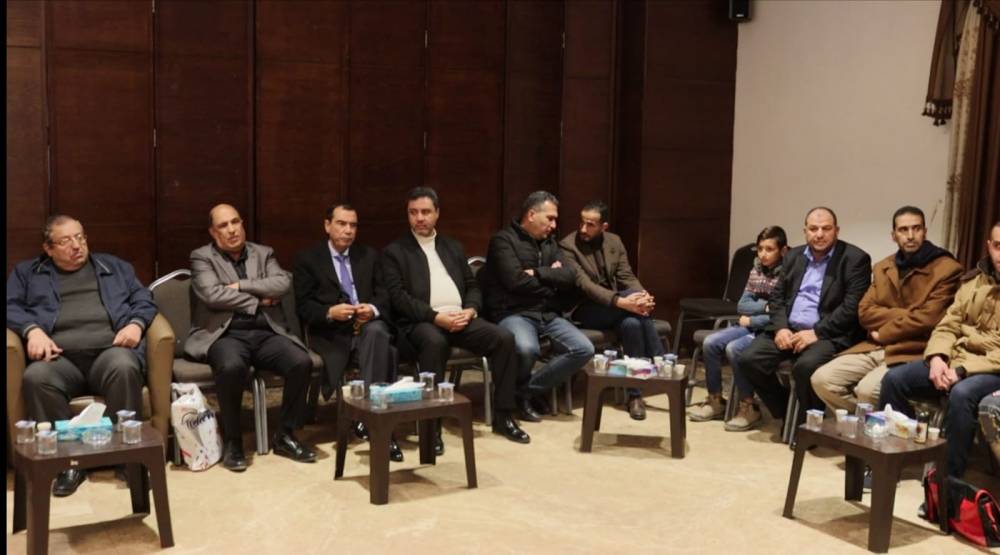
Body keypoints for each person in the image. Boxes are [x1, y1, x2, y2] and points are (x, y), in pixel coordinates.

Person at [7, 215, 157, 496]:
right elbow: (10, 305)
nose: (77, 246)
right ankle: (68, 463)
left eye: (80, 237)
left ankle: (128, 459)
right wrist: (32, 330)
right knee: (37, 377)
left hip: (108, 353)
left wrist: (136, 324)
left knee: (124, 365)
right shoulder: (28, 273)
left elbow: (144, 299)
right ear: (48, 248)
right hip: (60, 360)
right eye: (66, 241)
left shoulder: (114, 267)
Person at [381, 187, 530, 444]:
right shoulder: (395, 252)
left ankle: (503, 416)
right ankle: (431, 428)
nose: (419, 218)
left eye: (425, 212)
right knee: (434, 343)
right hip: (422, 322)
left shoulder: (452, 246)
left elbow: (473, 286)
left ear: (437, 213)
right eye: (413, 212)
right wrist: (435, 317)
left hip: (460, 317)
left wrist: (470, 310)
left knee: (504, 338)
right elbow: (399, 298)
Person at [186, 204, 316, 472]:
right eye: (223, 226)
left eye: (235, 222)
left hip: (267, 332)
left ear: (242, 223)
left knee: (301, 362)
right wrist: (258, 301)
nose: (231, 230)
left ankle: (285, 435)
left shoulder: (264, 253)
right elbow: (212, 294)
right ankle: (233, 441)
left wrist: (241, 286)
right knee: (231, 367)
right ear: (213, 232)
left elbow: (282, 283)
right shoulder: (202, 257)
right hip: (226, 334)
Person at [811, 206, 962, 412]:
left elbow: (929, 319)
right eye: (903, 230)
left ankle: (881, 425)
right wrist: (907, 314)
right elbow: (864, 311)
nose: (910, 235)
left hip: (913, 349)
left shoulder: (947, 268)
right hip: (873, 346)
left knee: (867, 391)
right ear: (893, 235)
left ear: (924, 232)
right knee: (822, 379)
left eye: (916, 228)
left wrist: (884, 332)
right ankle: (869, 423)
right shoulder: (883, 266)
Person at [879, 222, 1000, 478]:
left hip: (991, 369)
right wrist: (937, 357)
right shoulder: (974, 282)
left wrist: (962, 370)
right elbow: (947, 325)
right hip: (955, 359)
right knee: (894, 380)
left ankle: (947, 481)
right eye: (998, 246)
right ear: (989, 246)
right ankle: (895, 459)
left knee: (962, 393)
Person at [739, 207, 872, 426]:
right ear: (805, 231)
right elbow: (777, 298)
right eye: (813, 229)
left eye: (826, 228)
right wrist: (781, 327)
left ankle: (806, 425)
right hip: (789, 330)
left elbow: (851, 308)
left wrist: (816, 332)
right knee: (749, 359)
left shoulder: (855, 259)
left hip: (828, 333)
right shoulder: (793, 256)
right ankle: (785, 408)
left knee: (805, 367)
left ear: (837, 230)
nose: (819, 234)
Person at [293, 204, 401, 461]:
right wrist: (330, 312)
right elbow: (303, 306)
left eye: (353, 225)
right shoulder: (308, 259)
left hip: (366, 327)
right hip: (332, 332)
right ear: (327, 225)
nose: (348, 230)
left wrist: (371, 309)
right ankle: (379, 425)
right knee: (383, 346)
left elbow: (385, 295)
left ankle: (370, 419)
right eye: (341, 224)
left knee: (378, 334)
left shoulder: (369, 256)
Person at [480, 191, 594, 421]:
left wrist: (538, 273)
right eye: (550, 218)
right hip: (513, 312)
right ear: (531, 215)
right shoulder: (503, 241)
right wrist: (551, 282)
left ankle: (523, 392)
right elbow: (515, 281)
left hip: (547, 313)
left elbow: (569, 276)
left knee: (584, 349)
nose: (554, 225)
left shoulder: (550, 243)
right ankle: (520, 395)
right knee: (527, 349)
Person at [559, 200, 663, 420]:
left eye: (590, 224)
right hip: (583, 308)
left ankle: (634, 395)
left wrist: (643, 296)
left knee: (632, 323)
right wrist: (622, 302)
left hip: (618, 308)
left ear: (603, 227)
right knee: (633, 313)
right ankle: (660, 361)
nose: (583, 229)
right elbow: (585, 286)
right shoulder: (568, 246)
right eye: (582, 222)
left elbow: (626, 276)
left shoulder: (614, 241)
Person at [687, 226, 789, 430]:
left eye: (769, 249)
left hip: (768, 329)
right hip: (749, 323)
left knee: (734, 348)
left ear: (783, 251)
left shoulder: (789, 273)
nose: (763, 254)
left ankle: (748, 406)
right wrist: (766, 307)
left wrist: (753, 320)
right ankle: (716, 400)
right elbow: (742, 305)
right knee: (711, 342)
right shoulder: (756, 269)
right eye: (760, 249)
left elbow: (783, 313)